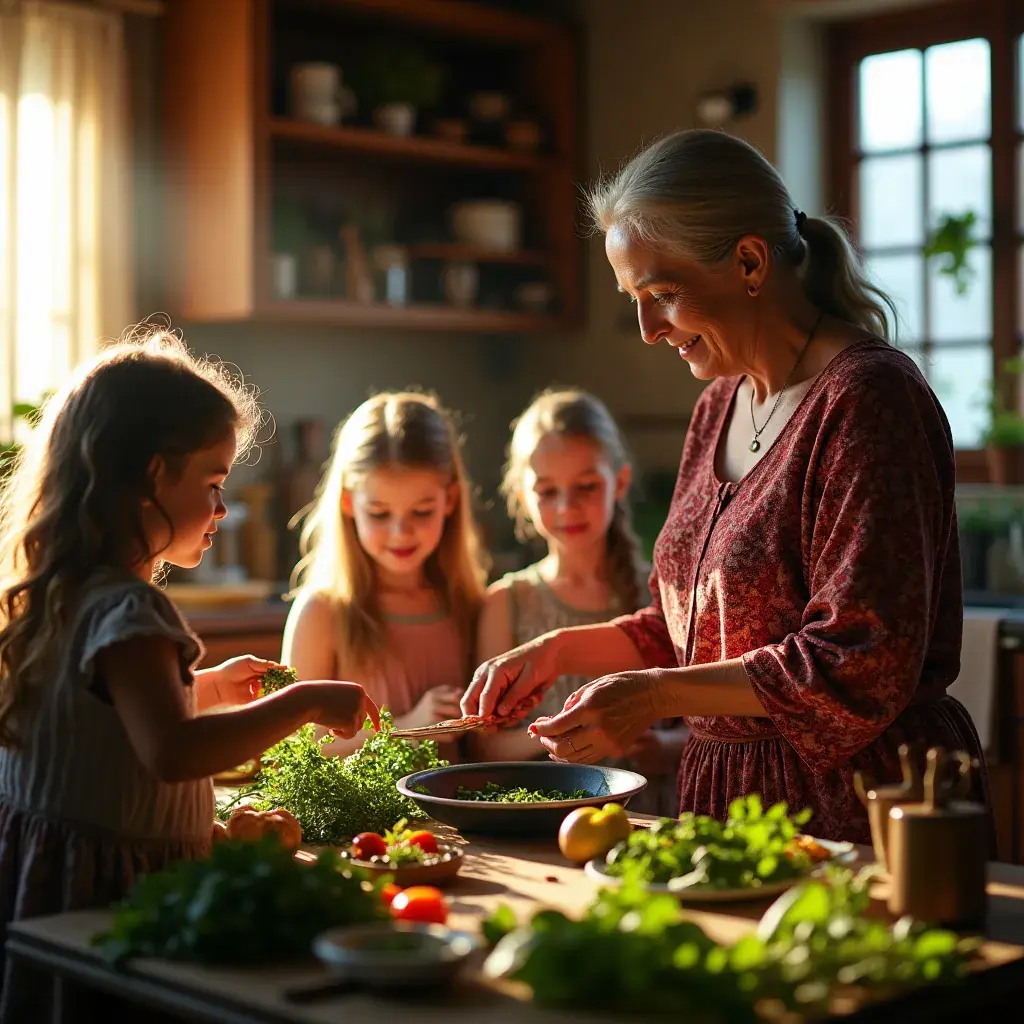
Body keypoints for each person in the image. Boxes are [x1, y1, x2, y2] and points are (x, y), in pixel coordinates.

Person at [462, 129, 988, 844]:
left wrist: (654, 697)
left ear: (748, 261)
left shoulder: (868, 398)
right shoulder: (720, 403)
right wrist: (554, 652)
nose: (648, 329)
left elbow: (858, 662)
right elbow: (686, 631)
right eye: (635, 300)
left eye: (664, 294)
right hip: (727, 806)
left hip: (856, 806)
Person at [0, 332, 376, 1019]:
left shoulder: (57, 591)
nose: (223, 509)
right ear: (152, 477)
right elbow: (172, 753)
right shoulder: (129, 607)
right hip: (110, 887)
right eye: (212, 484)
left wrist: (201, 690)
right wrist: (302, 701)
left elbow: (97, 717)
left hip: (43, 876)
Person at [471, 389, 683, 814]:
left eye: (586, 486)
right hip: (547, 818)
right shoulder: (506, 602)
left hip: (648, 816)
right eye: (548, 491)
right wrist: (557, 735)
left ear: (619, 482)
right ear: (521, 496)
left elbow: (706, 724)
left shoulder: (664, 595)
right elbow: (482, 743)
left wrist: (664, 746)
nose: (567, 507)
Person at [282, 391, 488, 760]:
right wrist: (408, 728)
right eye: (379, 514)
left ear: (451, 501)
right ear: (348, 503)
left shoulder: (468, 604)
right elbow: (297, 753)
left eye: (422, 512)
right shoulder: (321, 612)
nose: (400, 533)